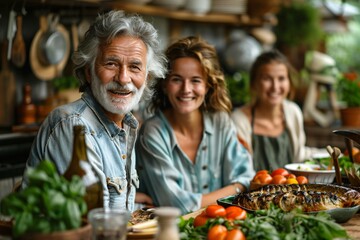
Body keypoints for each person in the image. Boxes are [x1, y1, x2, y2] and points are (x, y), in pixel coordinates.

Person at [21, 10, 167, 211]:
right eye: (111, 63)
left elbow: (114, 212)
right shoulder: (73, 125)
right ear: (89, 72)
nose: (123, 78)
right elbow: (94, 221)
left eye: (134, 67)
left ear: (147, 78)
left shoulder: (127, 125)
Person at [135, 36, 255, 214]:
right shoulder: (153, 132)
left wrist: (240, 186)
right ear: (165, 84)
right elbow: (175, 204)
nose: (186, 89)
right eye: (176, 79)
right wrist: (235, 190)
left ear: (208, 86)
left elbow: (246, 178)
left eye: (196, 80)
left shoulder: (220, 122)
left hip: (221, 229)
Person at [231, 50, 320, 172]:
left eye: (281, 78)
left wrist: (335, 156)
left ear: (289, 82)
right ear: (254, 83)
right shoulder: (239, 120)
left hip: (293, 188)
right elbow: (239, 170)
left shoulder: (293, 112)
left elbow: (299, 155)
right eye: (267, 78)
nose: (275, 87)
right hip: (252, 190)